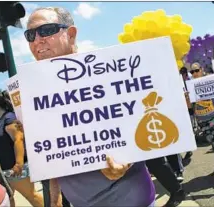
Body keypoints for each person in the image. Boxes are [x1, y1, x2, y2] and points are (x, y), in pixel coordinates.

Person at [24, 7, 155, 207]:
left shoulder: (106, 72)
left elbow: (137, 126)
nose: (37, 40)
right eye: (30, 34)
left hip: (131, 200)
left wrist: (126, 161)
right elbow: (52, 155)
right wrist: (55, 199)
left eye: (47, 30)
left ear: (71, 34)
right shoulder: (38, 92)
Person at [0, 91, 44, 207]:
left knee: (31, 196)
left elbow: (18, 139)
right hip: (4, 171)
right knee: (9, 198)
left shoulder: (9, 118)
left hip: (14, 169)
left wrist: (18, 164)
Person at [185, 63, 214, 181]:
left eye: (196, 70)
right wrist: (187, 99)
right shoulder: (190, 86)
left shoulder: (212, 80)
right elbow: (190, 107)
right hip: (202, 121)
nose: (194, 73)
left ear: (202, 69)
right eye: (192, 71)